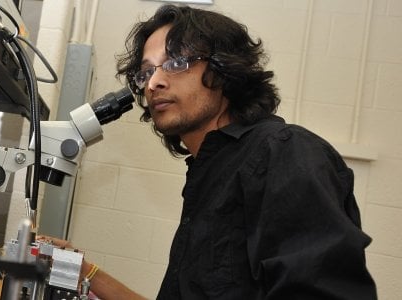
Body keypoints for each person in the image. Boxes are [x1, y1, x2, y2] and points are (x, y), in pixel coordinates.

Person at [39, 4, 377, 299]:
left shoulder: (283, 153)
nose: (154, 82)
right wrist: (86, 272)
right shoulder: (208, 173)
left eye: (175, 63)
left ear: (222, 69)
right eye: (146, 72)